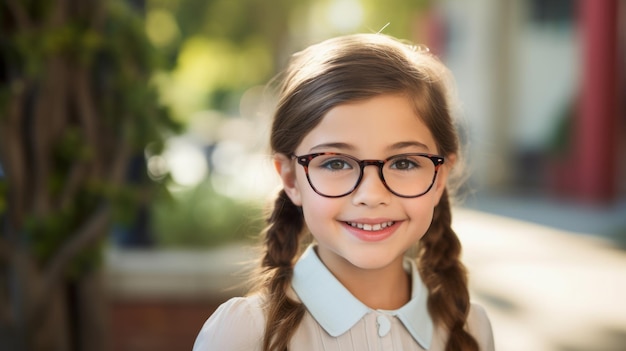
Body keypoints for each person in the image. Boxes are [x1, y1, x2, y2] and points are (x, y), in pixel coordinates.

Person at [193, 33, 495, 351]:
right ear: (291, 179)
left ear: (440, 176)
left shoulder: (470, 330)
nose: (371, 194)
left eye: (404, 162)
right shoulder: (244, 333)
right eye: (336, 163)